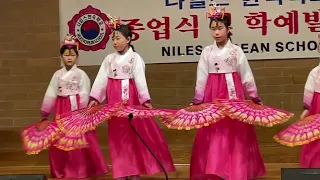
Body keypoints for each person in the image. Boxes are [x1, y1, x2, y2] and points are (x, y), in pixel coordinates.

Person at [88, 18, 175, 180]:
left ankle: (134, 170)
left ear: (129, 39)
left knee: (133, 135)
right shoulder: (109, 59)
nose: (115, 42)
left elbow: (140, 79)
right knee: (117, 136)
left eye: (118, 38)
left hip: (131, 100)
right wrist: (96, 98)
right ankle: (121, 170)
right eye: (113, 38)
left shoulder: (135, 58)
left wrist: (145, 99)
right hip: (113, 100)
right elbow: (101, 80)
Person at [190, 6, 266, 180]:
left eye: (220, 28)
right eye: (213, 28)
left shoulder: (236, 51)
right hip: (212, 94)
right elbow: (201, 76)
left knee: (234, 131)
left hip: (233, 93)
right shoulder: (207, 52)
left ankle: (235, 171)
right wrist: (198, 98)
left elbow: (246, 74)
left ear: (228, 29)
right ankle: (216, 171)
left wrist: (253, 95)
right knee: (214, 131)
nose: (216, 32)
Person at [40, 34, 108, 178]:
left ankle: (79, 170)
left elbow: (84, 93)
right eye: (66, 55)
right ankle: (61, 170)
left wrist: (82, 113)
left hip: (77, 109)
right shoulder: (57, 75)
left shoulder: (81, 74)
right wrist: (45, 111)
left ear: (77, 57)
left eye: (72, 55)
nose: (69, 57)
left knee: (78, 139)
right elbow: (51, 93)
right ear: (61, 56)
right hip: (61, 109)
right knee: (60, 139)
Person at [299, 32, 320, 168]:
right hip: (317, 107)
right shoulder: (315, 72)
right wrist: (306, 108)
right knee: (316, 139)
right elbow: (309, 90)